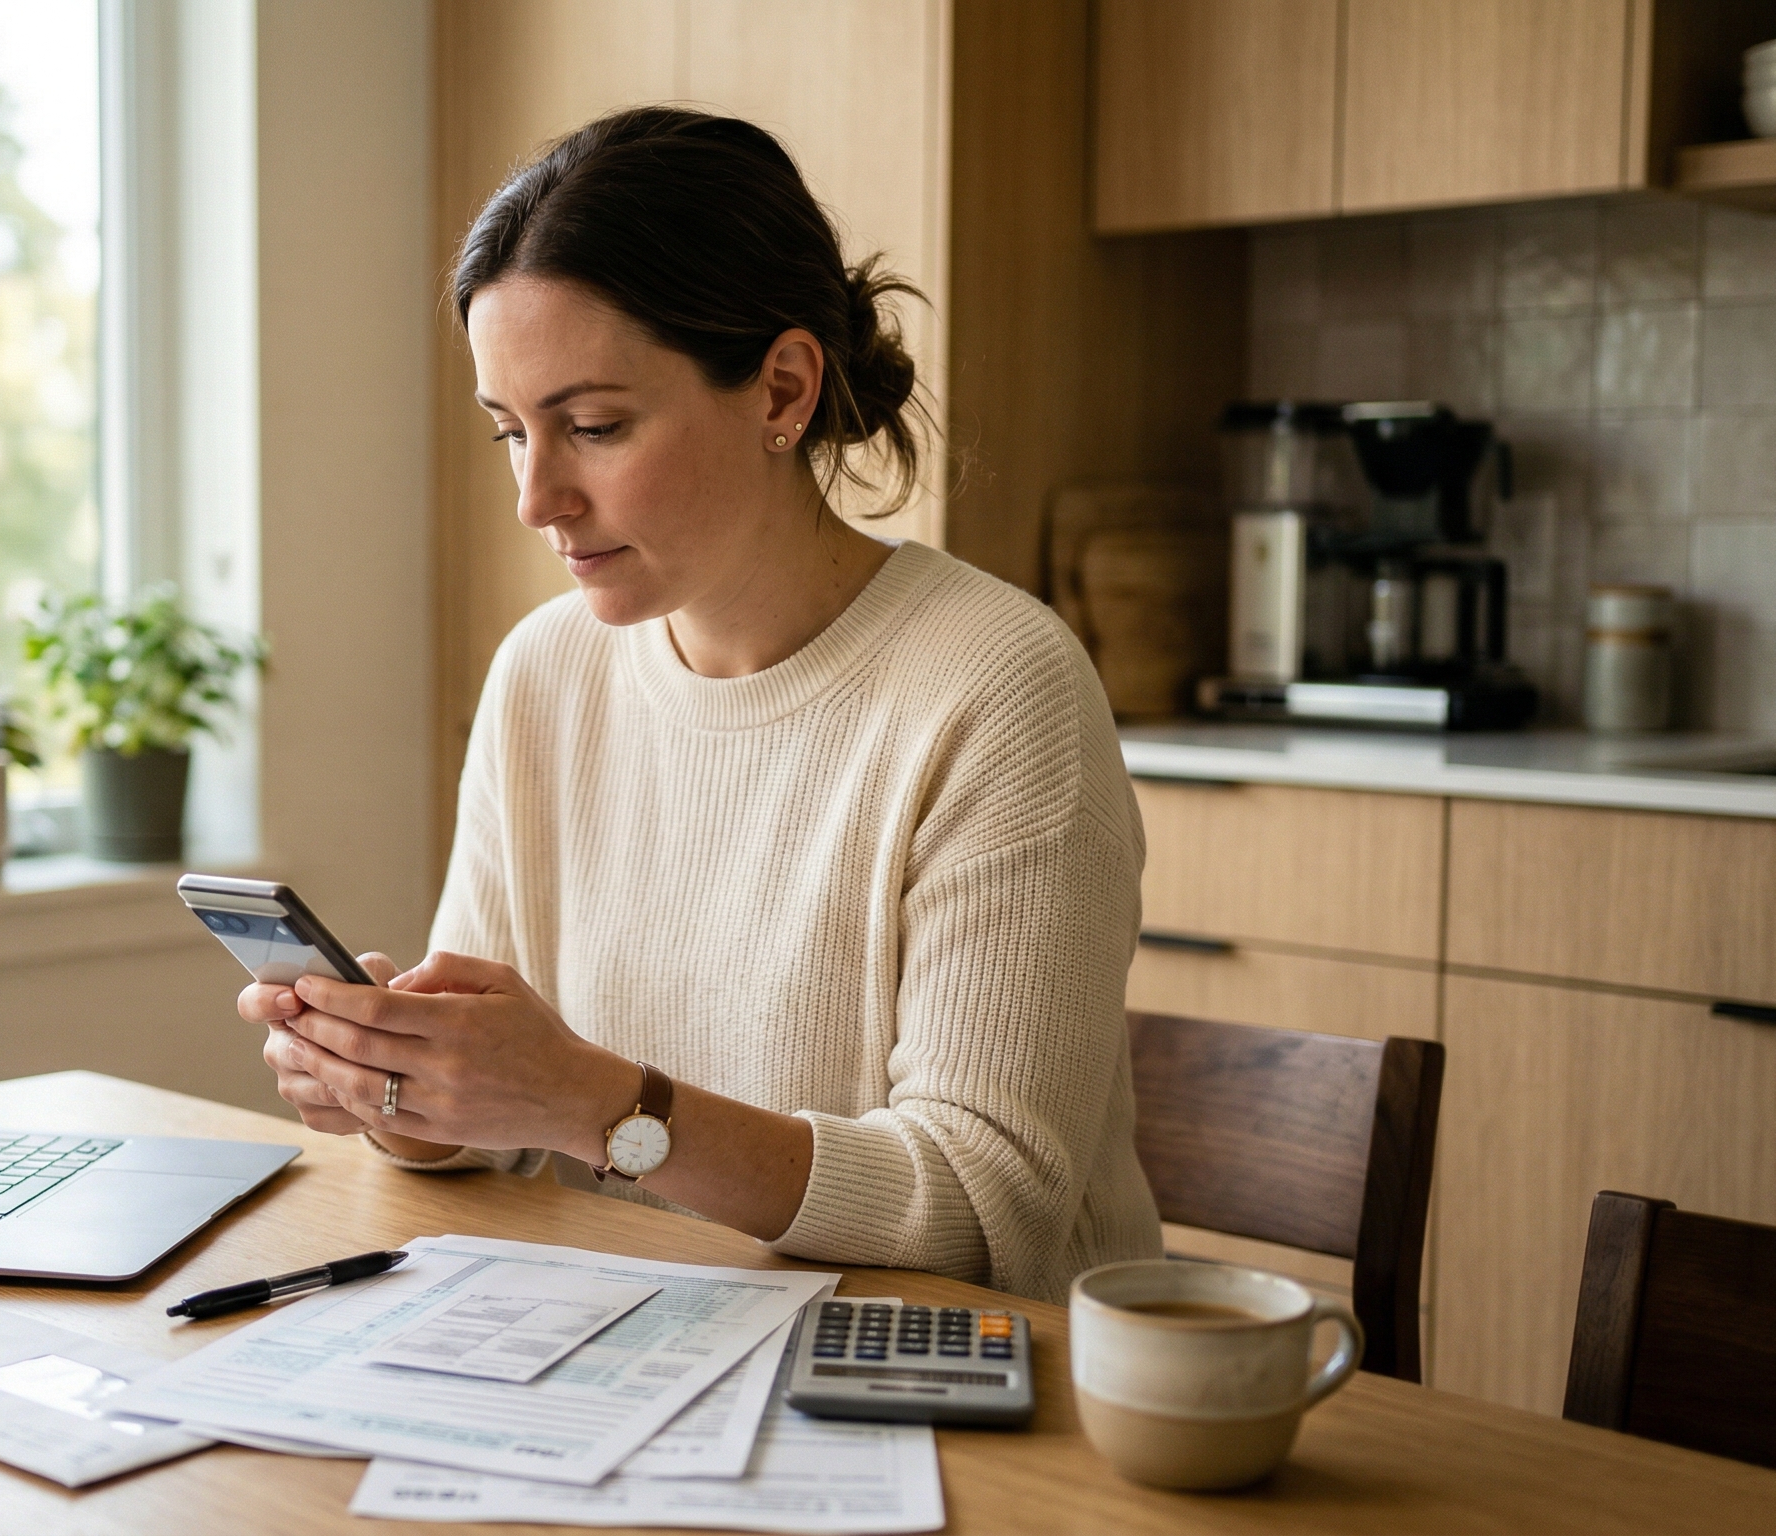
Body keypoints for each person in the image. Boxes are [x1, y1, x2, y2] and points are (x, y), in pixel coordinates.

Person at [240, 105, 1161, 1302]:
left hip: (960, 1397)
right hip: (637, 1343)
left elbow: (990, 1217)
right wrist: (409, 1097)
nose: (537, 499)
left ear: (781, 388)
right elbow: (520, 1138)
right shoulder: (544, 673)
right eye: (510, 433)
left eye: (593, 426)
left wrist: (597, 1100)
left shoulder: (995, 684)